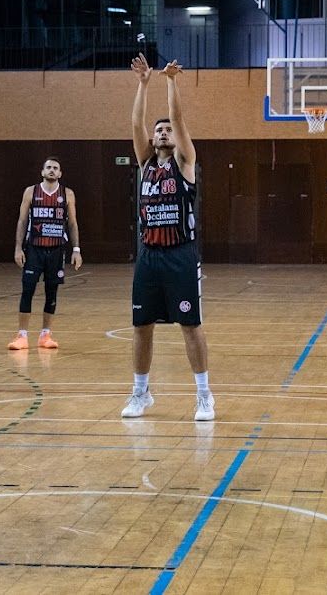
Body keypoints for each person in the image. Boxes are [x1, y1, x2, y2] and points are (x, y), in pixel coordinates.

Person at [122, 55, 213, 422]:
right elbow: (135, 122)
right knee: (141, 327)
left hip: (180, 254)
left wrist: (171, 82)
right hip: (149, 255)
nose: (161, 132)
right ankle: (140, 393)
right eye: (158, 131)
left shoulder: (185, 161)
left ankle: (204, 396)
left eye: (166, 131)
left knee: (190, 326)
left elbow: (178, 120)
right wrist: (143, 84)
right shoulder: (145, 164)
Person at [9, 156, 82, 350]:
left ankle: (45, 335)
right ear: (42, 172)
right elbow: (22, 221)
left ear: (60, 173)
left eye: (55, 168)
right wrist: (18, 248)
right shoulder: (30, 192)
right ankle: (22, 336)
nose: (51, 170)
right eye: (48, 167)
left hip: (57, 250)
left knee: (52, 293)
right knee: (27, 291)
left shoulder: (68, 194)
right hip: (34, 249)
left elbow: (72, 223)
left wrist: (76, 250)